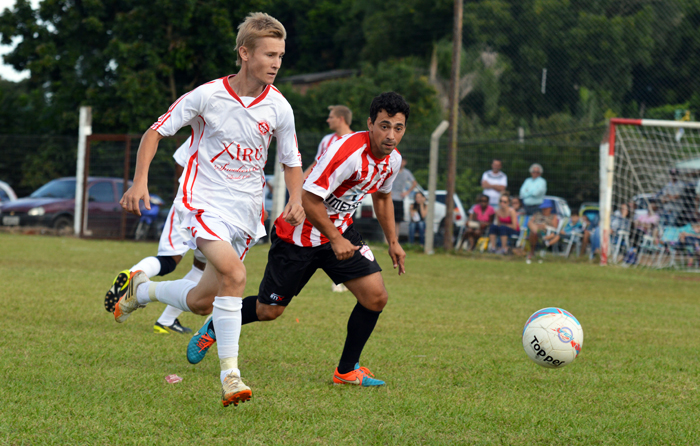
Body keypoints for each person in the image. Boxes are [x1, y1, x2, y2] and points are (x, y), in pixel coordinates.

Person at [105, 12, 305, 408]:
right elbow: (155, 131)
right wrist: (139, 179)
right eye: (269, 54)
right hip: (202, 203)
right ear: (244, 53)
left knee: (202, 301)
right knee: (236, 274)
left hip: (246, 213)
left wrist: (295, 199)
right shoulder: (207, 95)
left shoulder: (279, 107)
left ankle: (141, 291)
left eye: (280, 55)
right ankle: (231, 375)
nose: (277, 62)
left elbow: (291, 159)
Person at [186, 92, 409, 388]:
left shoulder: (392, 160)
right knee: (269, 310)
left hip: (339, 232)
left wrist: (392, 240)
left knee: (376, 297)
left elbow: (382, 196)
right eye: (384, 125)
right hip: (298, 236)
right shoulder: (347, 153)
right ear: (370, 124)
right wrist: (335, 238)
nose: (391, 135)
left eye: (398, 127)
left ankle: (346, 370)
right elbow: (308, 198)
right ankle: (217, 323)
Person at [104, 139, 206, 335]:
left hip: (188, 203)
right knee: (204, 269)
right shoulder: (243, 134)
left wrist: (184, 191)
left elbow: (179, 160)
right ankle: (139, 286)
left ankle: (136, 279)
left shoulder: (203, 130)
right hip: (213, 210)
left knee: (170, 261)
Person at [303, 105, 353, 179]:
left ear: (341, 119)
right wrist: (302, 179)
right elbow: (317, 164)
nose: (328, 120)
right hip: (327, 188)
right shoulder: (326, 140)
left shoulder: (357, 140)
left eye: (331, 117)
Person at [526, 198, 558, 263]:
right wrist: (537, 226)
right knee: (531, 224)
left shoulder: (553, 217)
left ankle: (532, 252)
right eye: (543, 208)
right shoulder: (537, 214)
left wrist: (545, 226)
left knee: (533, 231)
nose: (544, 210)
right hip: (534, 230)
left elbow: (555, 228)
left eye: (546, 208)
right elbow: (530, 223)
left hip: (544, 232)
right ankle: (538, 235)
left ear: (550, 208)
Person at [391, 158, 417, 226]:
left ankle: (396, 236)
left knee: (398, 221)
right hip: (391, 198)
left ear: (405, 163)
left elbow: (414, 183)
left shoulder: (407, 173)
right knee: (389, 220)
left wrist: (407, 192)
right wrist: (388, 191)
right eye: (401, 161)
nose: (402, 163)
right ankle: (386, 237)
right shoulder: (392, 170)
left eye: (404, 162)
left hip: (400, 198)